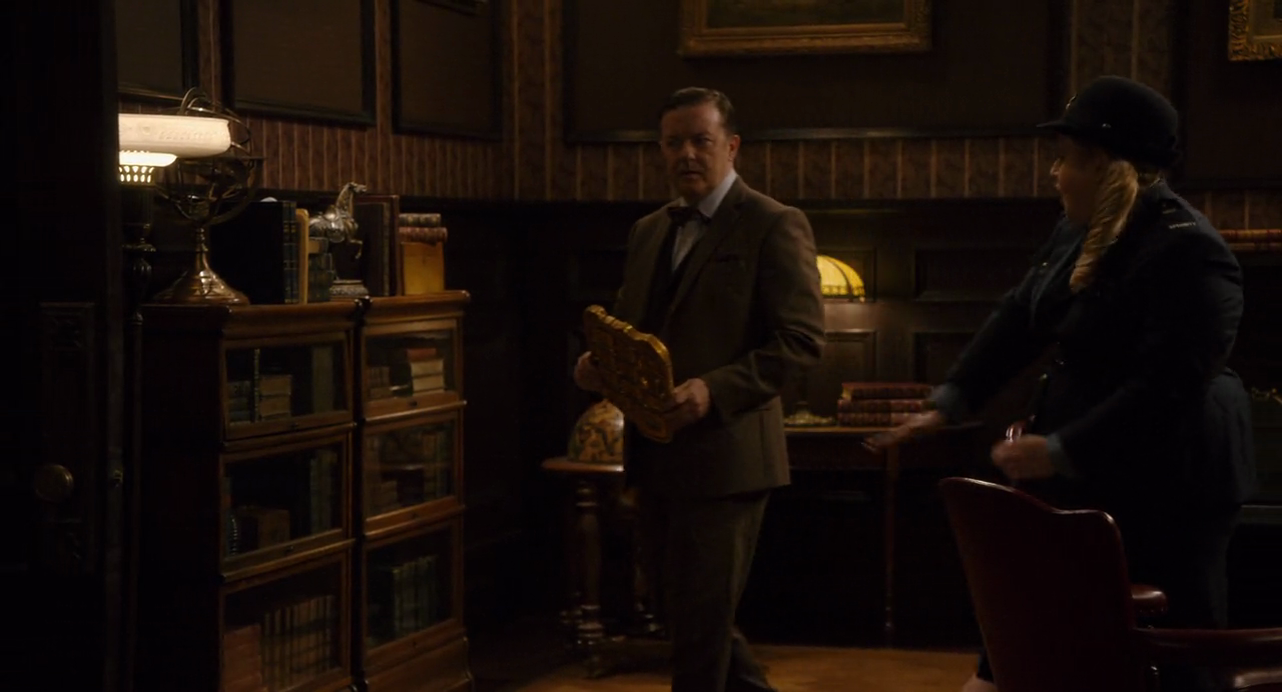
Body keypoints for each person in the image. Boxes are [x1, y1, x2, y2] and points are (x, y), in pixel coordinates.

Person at [869, 75, 1256, 692]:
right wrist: (950, 401)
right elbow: (1020, 318)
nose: (1053, 174)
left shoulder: (1188, 250)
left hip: (1175, 480)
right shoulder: (1076, 230)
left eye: (1065, 160)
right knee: (1049, 634)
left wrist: (1060, 449)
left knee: (1178, 650)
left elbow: (1169, 386)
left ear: (1103, 166)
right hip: (1091, 471)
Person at [573, 86, 825, 692]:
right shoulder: (648, 231)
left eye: (700, 140)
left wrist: (713, 391)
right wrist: (599, 364)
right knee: (685, 615)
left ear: (731, 146)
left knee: (699, 632)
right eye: (673, 143)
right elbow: (633, 329)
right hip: (655, 456)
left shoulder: (772, 223)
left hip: (729, 459)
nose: (686, 153)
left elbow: (801, 342)